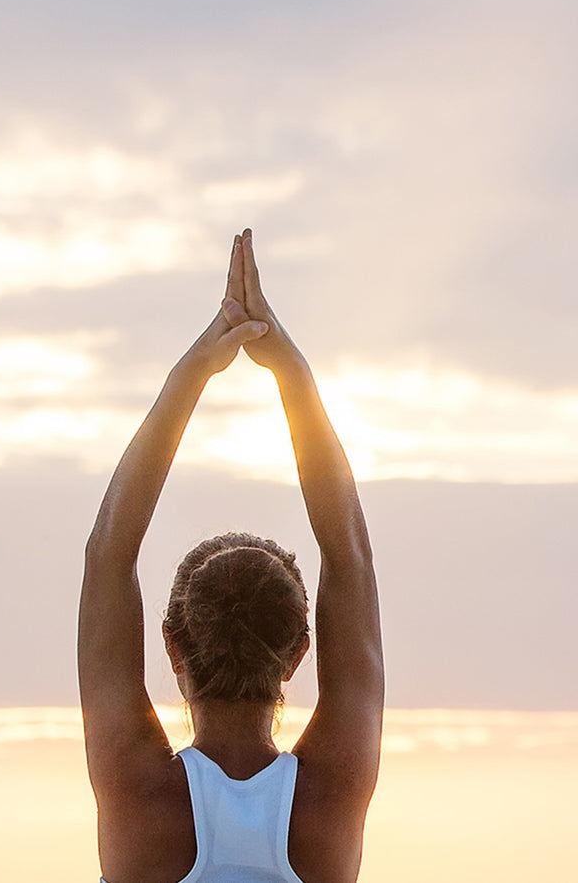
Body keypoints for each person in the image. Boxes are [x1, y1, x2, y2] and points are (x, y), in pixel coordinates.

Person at [80, 229, 384, 883]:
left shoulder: (141, 802)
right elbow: (350, 557)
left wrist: (190, 375)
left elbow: (108, 555)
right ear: (300, 651)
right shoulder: (327, 806)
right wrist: (290, 372)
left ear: (172, 647)